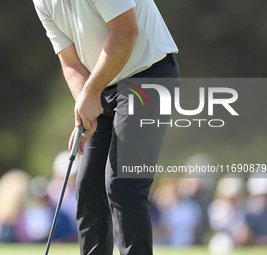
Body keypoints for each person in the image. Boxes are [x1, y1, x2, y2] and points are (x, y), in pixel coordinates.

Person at [32, 0, 180, 254]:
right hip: (103, 85)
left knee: (124, 184)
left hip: (148, 76)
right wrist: (85, 104)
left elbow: (126, 31)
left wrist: (90, 93)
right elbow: (70, 61)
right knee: (90, 187)